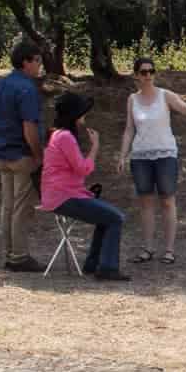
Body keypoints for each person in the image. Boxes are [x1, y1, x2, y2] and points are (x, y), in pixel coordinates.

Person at [42, 92, 131, 281]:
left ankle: (94, 264)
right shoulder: (65, 137)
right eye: (82, 113)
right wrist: (95, 147)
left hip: (59, 194)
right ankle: (107, 268)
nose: (85, 116)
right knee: (116, 218)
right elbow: (82, 169)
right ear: (74, 115)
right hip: (64, 197)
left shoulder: (56, 134)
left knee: (106, 218)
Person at [118, 57, 186, 265]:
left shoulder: (165, 95)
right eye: (143, 72)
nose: (148, 76)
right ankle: (147, 248)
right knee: (145, 202)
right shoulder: (132, 100)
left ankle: (169, 250)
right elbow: (129, 129)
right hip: (141, 156)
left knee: (167, 200)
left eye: (151, 71)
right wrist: (122, 155)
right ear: (136, 75)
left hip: (165, 155)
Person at [0, 39, 44, 272]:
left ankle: (10, 253)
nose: (40, 65)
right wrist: (38, 154)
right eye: (38, 60)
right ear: (26, 62)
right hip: (21, 155)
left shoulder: (1, 85)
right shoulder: (27, 88)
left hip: (3, 154)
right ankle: (19, 256)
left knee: (7, 206)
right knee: (21, 207)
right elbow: (29, 126)